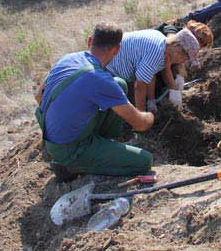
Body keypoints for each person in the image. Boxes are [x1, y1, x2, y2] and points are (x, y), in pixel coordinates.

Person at [35, 23, 155, 180]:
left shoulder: (68, 59)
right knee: (144, 161)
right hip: (69, 148)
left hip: (53, 134)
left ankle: (102, 143)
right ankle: (71, 166)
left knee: (119, 83)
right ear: (117, 50)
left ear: (90, 41)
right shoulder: (100, 80)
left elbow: (38, 96)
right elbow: (140, 124)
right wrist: (150, 114)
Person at [106, 28, 201, 113]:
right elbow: (139, 86)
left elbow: (151, 73)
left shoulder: (161, 40)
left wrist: (151, 101)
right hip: (109, 67)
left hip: (110, 53)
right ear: (177, 48)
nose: (184, 61)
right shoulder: (156, 55)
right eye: (185, 57)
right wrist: (141, 116)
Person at [153, 20, 213, 106]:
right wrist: (174, 89)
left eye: (202, 45)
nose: (198, 46)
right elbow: (166, 67)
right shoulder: (173, 32)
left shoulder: (189, 45)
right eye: (200, 42)